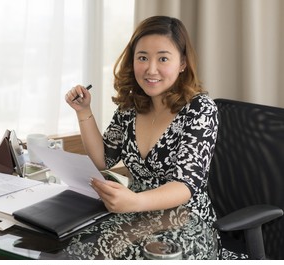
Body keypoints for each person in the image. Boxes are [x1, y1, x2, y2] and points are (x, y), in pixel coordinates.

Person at [65, 15, 219, 252]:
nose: (151, 69)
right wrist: (83, 111)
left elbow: (184, 185)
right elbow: (103, 159)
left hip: (187, 221)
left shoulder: (200, 109)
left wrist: (135, 201)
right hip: (135, 216)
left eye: (163, 58)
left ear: (182, 64)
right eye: (143, 57)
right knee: (74, 247)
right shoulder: (130, 106)